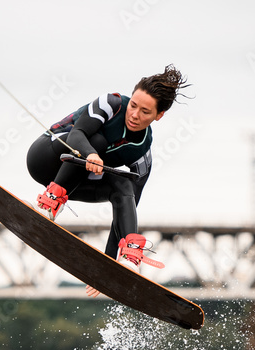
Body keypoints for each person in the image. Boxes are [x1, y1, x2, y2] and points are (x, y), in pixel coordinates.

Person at [26, 64, 191, 295]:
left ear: (159, 116)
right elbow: (77, 134)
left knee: (124, 186)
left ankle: (130, 257)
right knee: (99, 142)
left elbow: (126, 210)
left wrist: (107, 266)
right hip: (45, 157)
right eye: (133, 105)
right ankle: (49, 202)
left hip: (78, 181)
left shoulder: (142, 152)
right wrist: (91, 154)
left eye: (145, 112)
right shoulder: (111, 104)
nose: (134, 115)